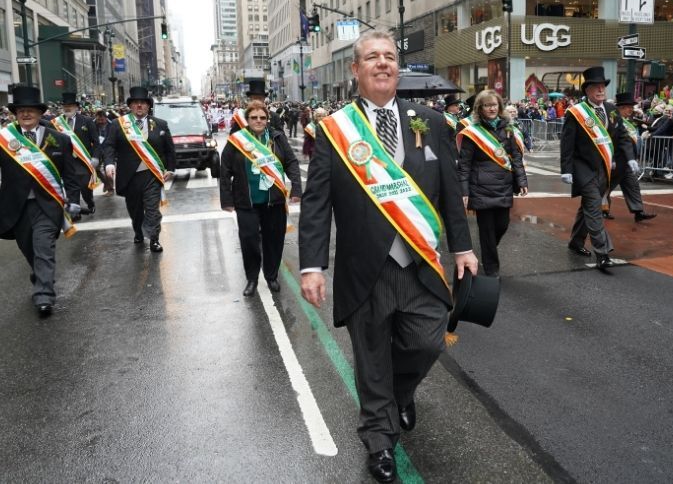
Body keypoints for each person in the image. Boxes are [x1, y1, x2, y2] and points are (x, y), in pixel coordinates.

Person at [298, 30, 478, 483]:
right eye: (372, 57)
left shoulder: (430, 122)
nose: (383, 63)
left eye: (390, 57)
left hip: (419, 263)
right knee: (371, 356)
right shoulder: (335, 132)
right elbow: (317, 204)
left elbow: (449, 193)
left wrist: (463, 247)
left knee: (427, 341)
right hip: (366, 270)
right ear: (355, 70)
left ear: (399, 68)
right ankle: (379, 440)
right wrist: (312, 266)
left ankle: (399, 393)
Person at [0, 86, 77, 317]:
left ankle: (44, 296)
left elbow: (70, 175)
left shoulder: (60, 140)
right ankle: (39, 273)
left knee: (44, 246)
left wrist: (73, 200)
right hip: (17, 206)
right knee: (28, 247)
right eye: (21, 110)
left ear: (40, 113)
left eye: (30, 110)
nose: (25, 114)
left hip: (48, 205)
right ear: (15, 113)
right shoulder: (4, 140)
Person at [219, 101, 301, 295]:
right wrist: (227, 200)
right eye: (254, 117)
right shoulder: (237, 140)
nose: (258, 121)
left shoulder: (277, 138)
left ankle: (271, 276)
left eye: (262, 117)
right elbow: (224, 170)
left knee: (274, 240)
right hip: (246, 201)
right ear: (247, 120)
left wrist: (296, 189)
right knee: (249, 241)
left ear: (268, 119)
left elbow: (291, 162)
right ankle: (252, 279)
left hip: (274, 200)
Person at [560, 66, 635, 270]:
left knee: (587, 207)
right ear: (587, 90)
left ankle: (576, 242)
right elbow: (567, 143)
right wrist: (565, 169)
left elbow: (623, 136)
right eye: (596, 87)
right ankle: (602, 252)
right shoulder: (576, 113)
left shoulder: (611, 110)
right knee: (594, 206)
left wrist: (630, 158)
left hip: (605, 167)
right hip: (583, 166)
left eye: (603, 87)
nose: (601, 90)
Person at [456, 90, 528, 277]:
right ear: (480, 108)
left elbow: (516, 158)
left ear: (500, 106)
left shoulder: (508, 128)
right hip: (480, 188)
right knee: (486, 231)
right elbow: (464, 165)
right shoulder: (473, 133)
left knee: (502, 225)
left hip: (503, 187)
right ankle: (491, 269)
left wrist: (521, 180)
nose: (491, 108)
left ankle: (488, 251)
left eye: (494, 105)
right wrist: (464, 191)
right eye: (487, 105)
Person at [102, 87, 176, 252]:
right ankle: (138, 231)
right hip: (130, 177)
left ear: (148, 106)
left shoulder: (160, 124)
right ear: (131, 106)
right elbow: (109, 146)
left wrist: (170, 168)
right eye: (136, 103)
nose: (140, 106)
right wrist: (108, 163)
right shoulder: (118, 125)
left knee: (152, 209)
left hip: (152, 176)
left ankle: (154, 239)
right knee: (135, 210)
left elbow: (169, 149)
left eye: (143, 103)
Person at [601, 93, 657, 222]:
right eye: (628, 107)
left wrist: (632, 158)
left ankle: (638, 212)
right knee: (606, 187)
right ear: (620, 108)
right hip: (615, 161)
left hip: (627, 163)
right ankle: (602, 210)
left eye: (631, 107)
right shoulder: (611, 121)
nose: (631, 110)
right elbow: (609, 141)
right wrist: (612, 159)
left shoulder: (628, 122)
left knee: (633, 186)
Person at [51, 92, 100, 220]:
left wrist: (95, 157)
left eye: (70, 105)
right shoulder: (56, 123)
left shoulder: (87, 121)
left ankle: (89, 201)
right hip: (66, 161)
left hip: (83, 161)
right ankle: (75, 212)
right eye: (65, 105)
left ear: (76, 107)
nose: (67, 107)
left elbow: (96, 141)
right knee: (71, 186)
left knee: (84, 186)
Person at [94, 109, 115, 196]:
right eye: (98, 120)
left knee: (108, 170)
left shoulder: (112, 124)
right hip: (97, 150)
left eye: (102, 120)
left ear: (106, 118)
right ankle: (106, 183)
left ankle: (110, 189)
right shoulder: (92, 124)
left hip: (108, 150)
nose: (100, 122)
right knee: (95, 169)